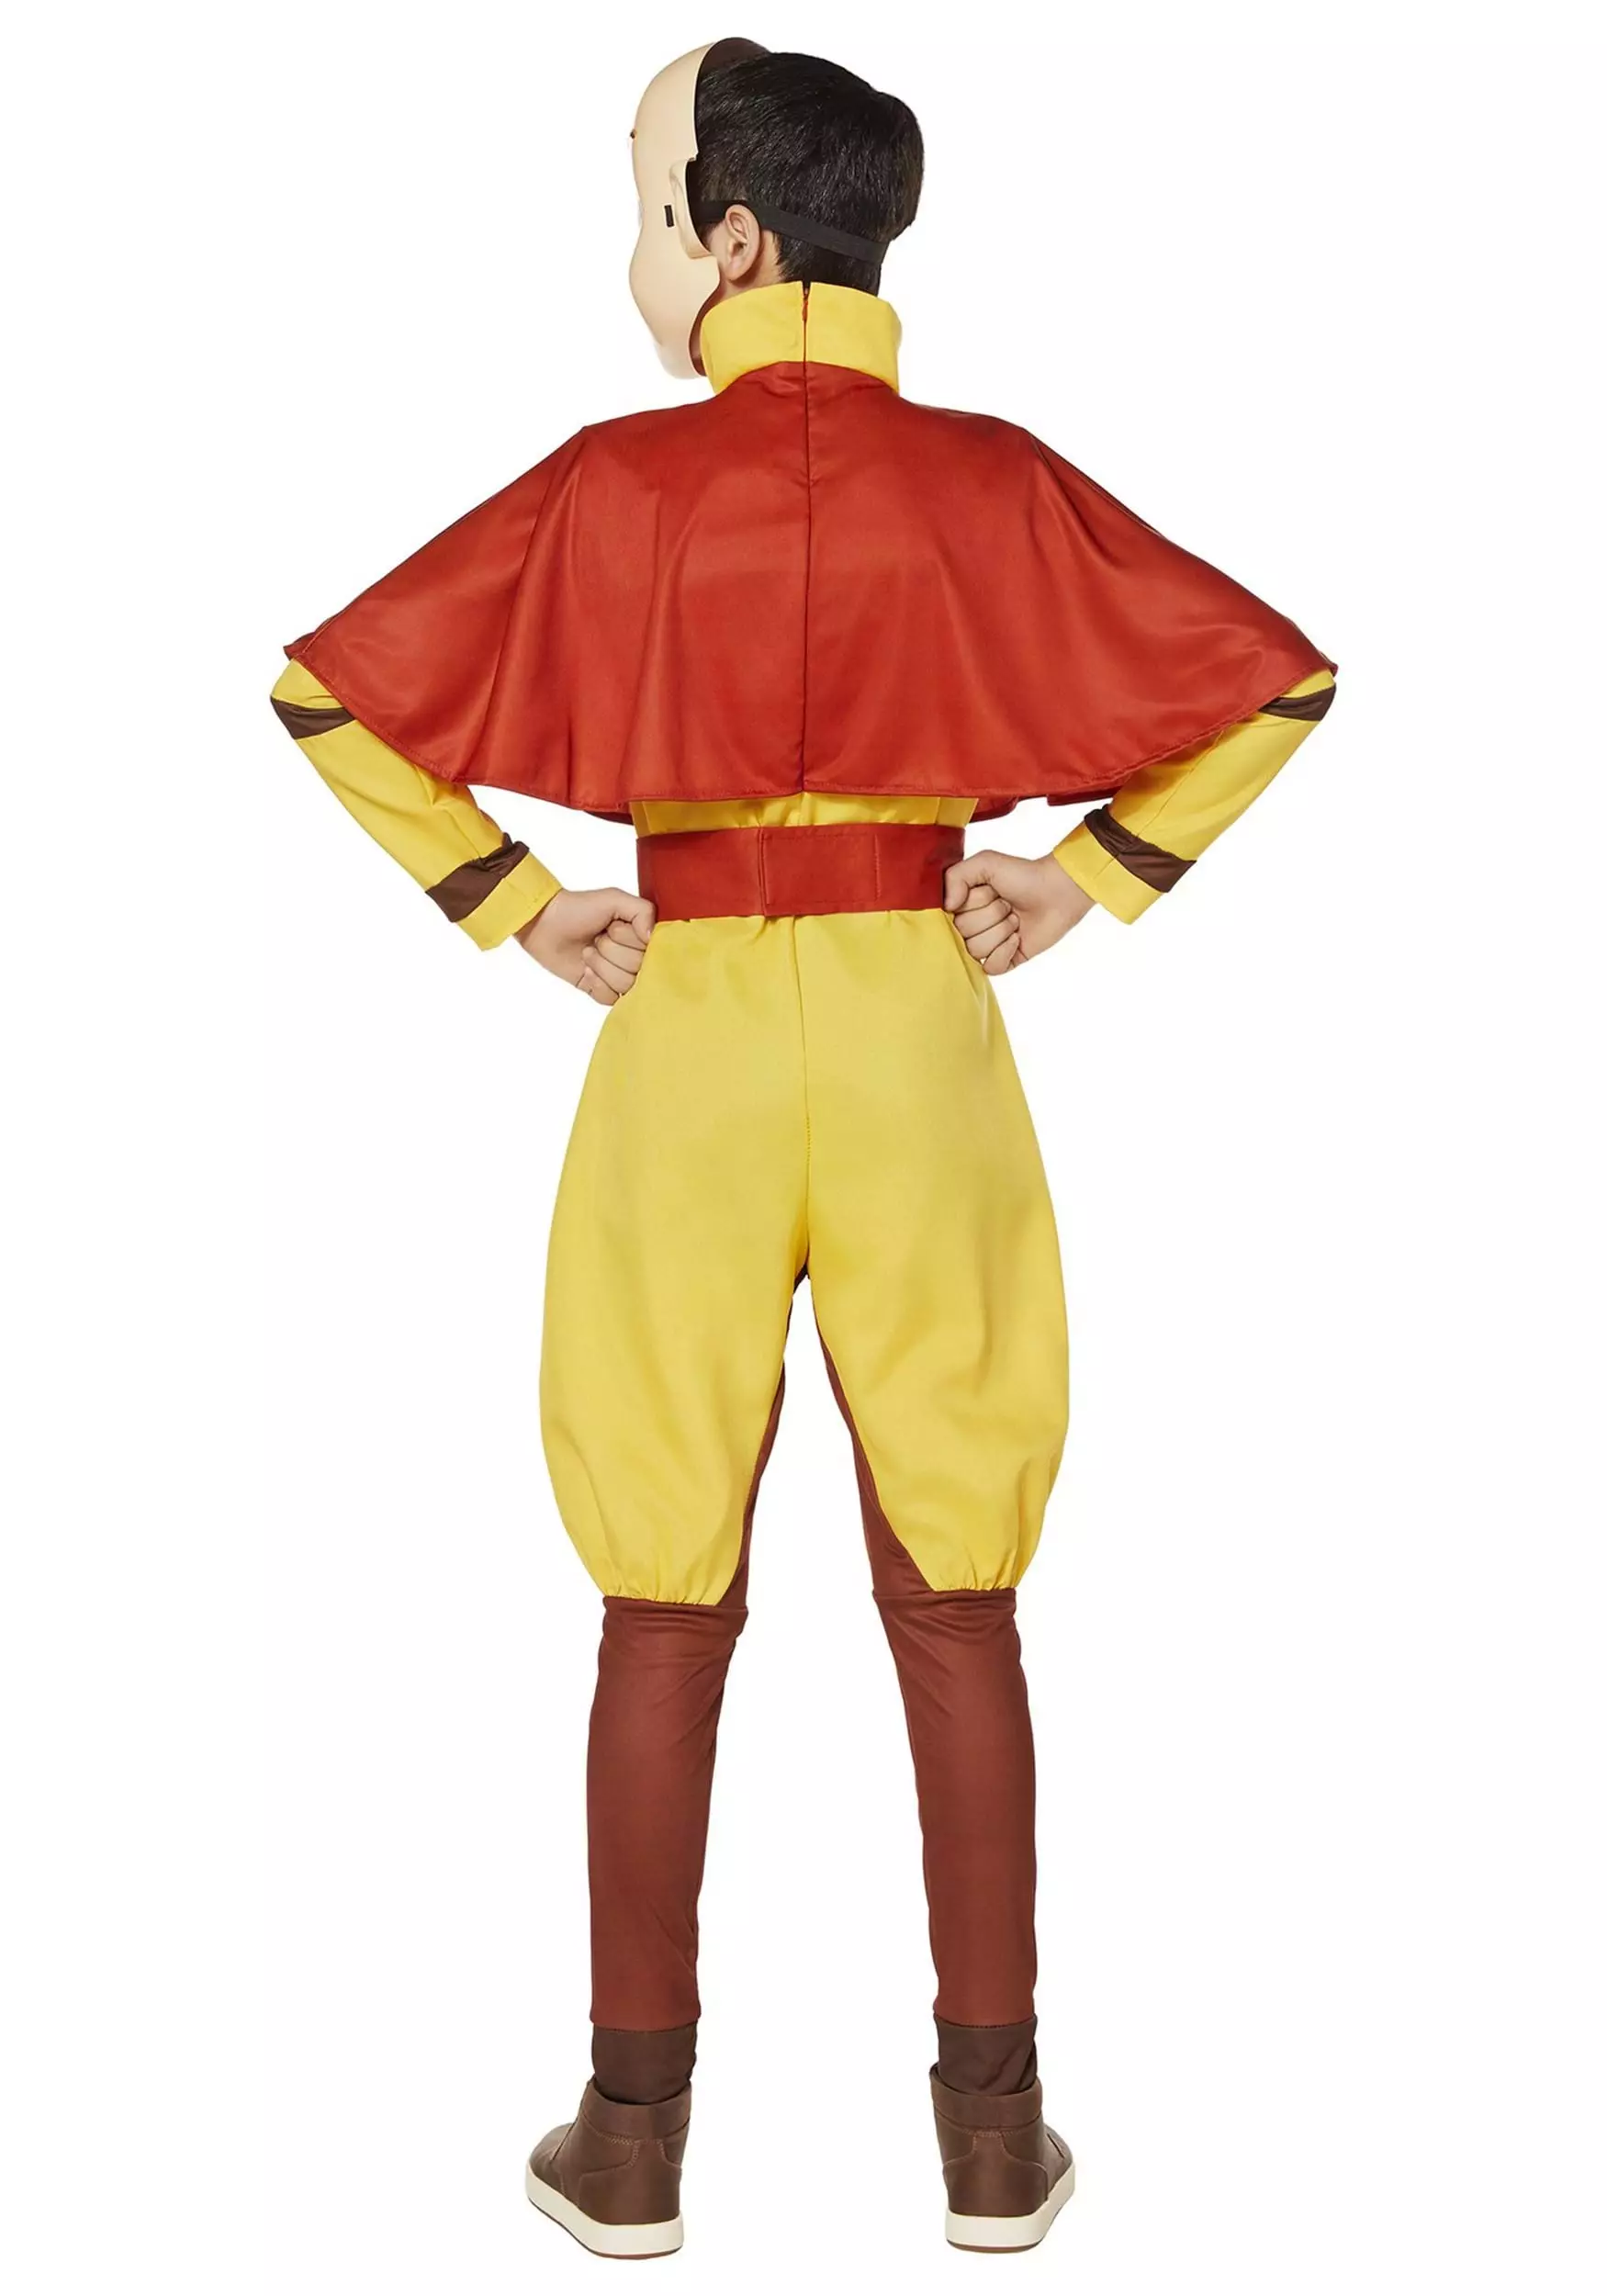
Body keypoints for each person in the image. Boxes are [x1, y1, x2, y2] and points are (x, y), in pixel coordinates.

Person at [270, 39, 1334, 2258]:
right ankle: (990, 2135)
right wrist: (1088, 872)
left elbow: (327, 689)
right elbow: (1274, 679)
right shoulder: (992, 479)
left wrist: (513, 899)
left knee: (662, 1583)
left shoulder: (610, 483)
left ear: (731, 239)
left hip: (679, 1032)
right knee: (956, 1579)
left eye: (641, 203)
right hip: (914, 1020)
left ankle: (630, 2133)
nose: (631, 250)